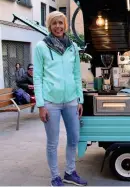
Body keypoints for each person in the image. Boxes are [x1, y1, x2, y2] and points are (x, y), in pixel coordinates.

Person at [33, 11, 87, 186]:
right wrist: (41, 105)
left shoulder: (72, 47)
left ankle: (70, 172)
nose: (58, 26)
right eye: (54, 23)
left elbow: (77, 74)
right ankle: (55, 176)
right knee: (53, 142)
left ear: (65, 25)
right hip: (51, 102)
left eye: (61, 23)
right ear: (50, 26)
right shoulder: (41, 47)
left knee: (74, 138)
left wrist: (80, 99)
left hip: (71, 100)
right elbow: (38, 77)